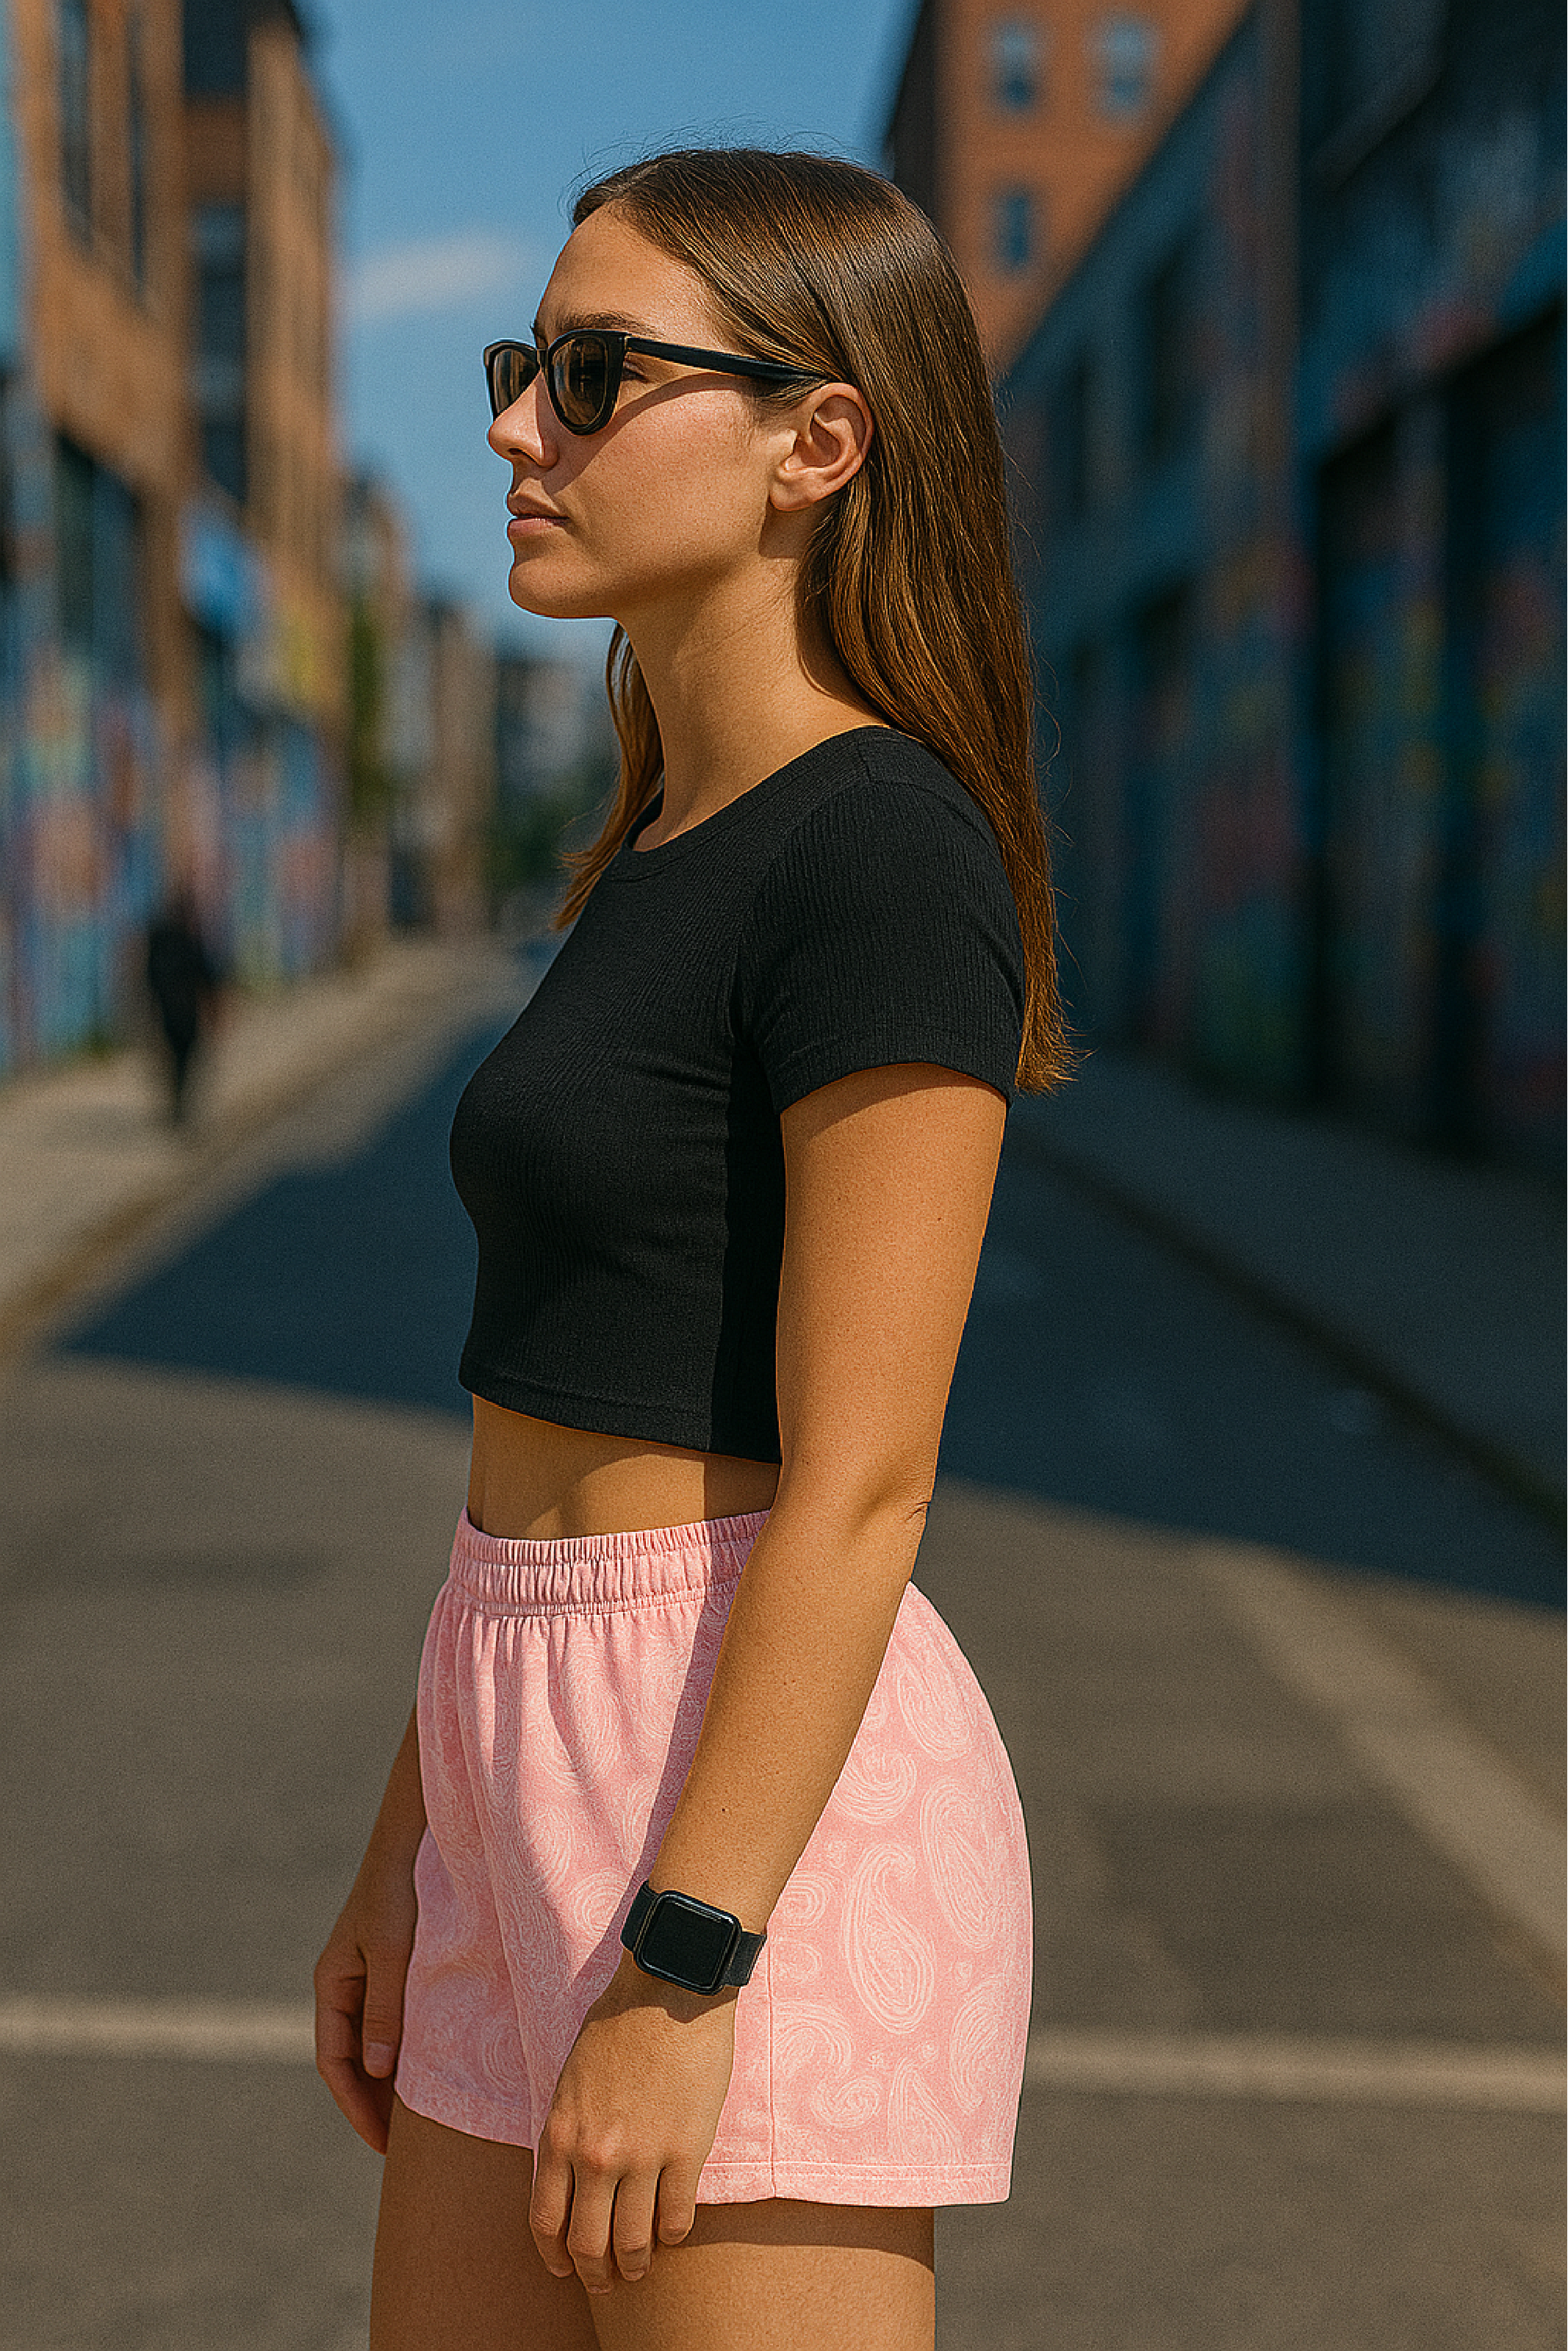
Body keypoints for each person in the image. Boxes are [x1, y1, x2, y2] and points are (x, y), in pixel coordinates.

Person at [313, 147, 1072, 2351]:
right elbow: (536, 1419)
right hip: (505, 1739)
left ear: (815, 443)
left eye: (592, 373)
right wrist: (416, 1835)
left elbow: (864, 1481)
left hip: (746, 1810)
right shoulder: (649, 837)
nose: (513, 428)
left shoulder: (881, 849)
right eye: (520, 364)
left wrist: (690, 1961)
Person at [144, 886, 223, 1125]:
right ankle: (178, 1107)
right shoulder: (187, 941)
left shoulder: (162, 942)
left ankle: (177, 1106)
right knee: (183, 1060)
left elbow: (149, 977)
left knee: (176, 1060)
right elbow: (207, 977)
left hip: (168, 1012)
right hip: (184, 1013)